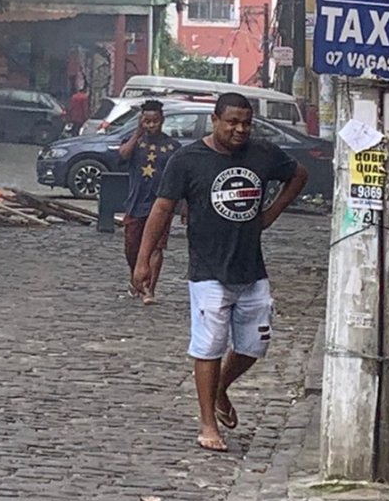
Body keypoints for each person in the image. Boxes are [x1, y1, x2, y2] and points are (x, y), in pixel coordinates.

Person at [135, 92, 308, 452]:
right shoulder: (187, 160)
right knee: (209, 346)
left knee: (254, 344)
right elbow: (162, 209)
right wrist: (142, 259)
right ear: (215, 120)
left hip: (251, 267)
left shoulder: (262, 154)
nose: (240, 129)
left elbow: (298, 175)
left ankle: (219, 390)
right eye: (232, 121)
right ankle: (207, 423)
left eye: (246, 122)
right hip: (207, 270)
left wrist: (273, 212)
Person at [118, 99, 181, 304]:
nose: (151, 125)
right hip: (136, 203)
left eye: (155, 121)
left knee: (156, 248)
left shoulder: (173, 146)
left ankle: (149, 289)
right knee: (132, 247)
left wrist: (185, 205)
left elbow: (183, 178)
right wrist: (137, 133)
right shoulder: (134, 141)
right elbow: (123, 155)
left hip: (161, 206)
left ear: (162, 120)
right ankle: (135, 276)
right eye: (147, 121)